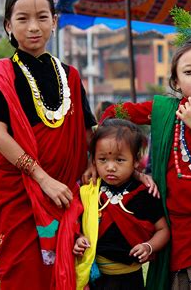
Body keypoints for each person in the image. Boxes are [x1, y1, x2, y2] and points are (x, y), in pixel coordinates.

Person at [101, 36, 191, 289]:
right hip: (175, 233)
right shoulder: (164, 111)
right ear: (176, 82)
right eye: (189, 71)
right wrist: (134, 171)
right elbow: (114, 114)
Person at [0, 0, 98, 289]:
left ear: (54, 21)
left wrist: (92, 162)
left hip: (65, 194)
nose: (34, 27)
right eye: (22, 19)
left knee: (69, 269)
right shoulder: (0, 74)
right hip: (22, 194)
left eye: (42, 17)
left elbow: (88, 131)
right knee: (23, 272)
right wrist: (43, 179)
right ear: (8, 25)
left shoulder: (71, 76)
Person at [73, 119, 170, 289]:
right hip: (97, 278)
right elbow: (78, 226)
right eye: (103, 159)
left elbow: (163, 230)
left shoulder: (145, 194)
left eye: (119, 160)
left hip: (131, 279)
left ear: (136, 161)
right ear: (93, 161)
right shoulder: (89, 193)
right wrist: (80, 239)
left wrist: (149, 246)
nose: (110, 167)